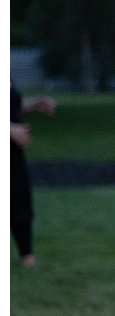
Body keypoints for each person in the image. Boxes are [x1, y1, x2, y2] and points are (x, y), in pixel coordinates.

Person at [10, 83, 56, 267]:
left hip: (12, 152)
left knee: (19, 198)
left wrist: (33, 104)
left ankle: (26, 254)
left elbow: (10, 105)